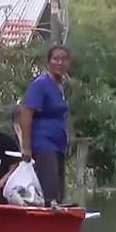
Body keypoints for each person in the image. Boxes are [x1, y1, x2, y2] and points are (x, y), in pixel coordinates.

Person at [18, 44, 71, 204]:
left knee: (59, 191)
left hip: (58, 145)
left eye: (64, 59)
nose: (60, 63)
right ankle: (47, 222)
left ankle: (60, 224)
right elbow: (26, 113)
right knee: (50, 191)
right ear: (48, 62)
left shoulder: (61, 86)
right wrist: (26, 147)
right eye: (56, 59)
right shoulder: (41, 84)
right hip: (43, 143)